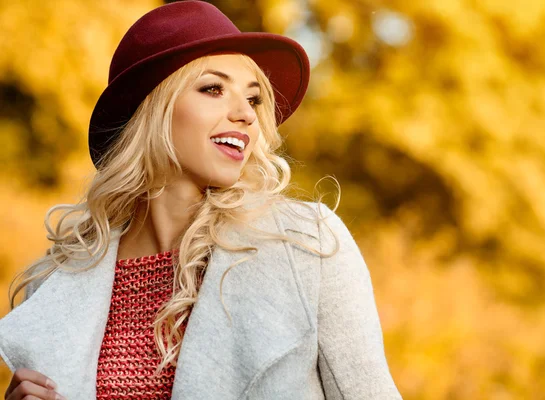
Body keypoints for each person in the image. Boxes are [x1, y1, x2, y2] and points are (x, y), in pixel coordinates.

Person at [0, 1, 402, 399]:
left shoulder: (306, 246)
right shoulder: (56, 284)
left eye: (254, 99)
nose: (246, 114)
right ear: (152, 108)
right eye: (213, 88)